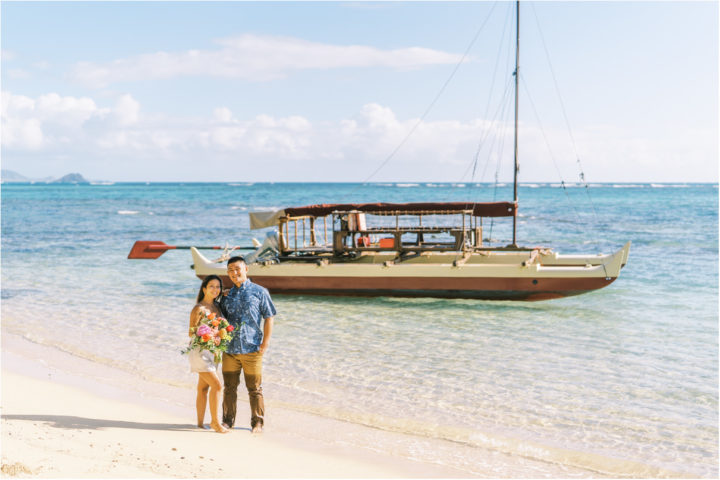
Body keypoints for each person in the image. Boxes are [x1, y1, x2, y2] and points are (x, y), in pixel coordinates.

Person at [220, 256, 276, 433]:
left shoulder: (259, 292)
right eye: (230, 270)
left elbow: (269, 317)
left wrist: (265, 343)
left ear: (246, 269)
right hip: (229, 349)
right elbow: (219, 319)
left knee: (255, 388)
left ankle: (257, 423)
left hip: (252, 349)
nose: (234, 273)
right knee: (229, 388)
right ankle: (227, 421)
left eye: (237, 269)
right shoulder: (227, 295)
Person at [188, 275, 229, 434]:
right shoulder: (199, 308)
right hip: (199, 352)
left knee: (203, 388)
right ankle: (215, 422)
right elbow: (191, 332)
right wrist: (207, 335)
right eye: (211, 286)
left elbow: (221, 328)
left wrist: (220, 335)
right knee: (217, 386)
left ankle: (199, 423)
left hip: (213, 353)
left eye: (218, 287)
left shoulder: (218, 307)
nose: (215, 289)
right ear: (204, 288)